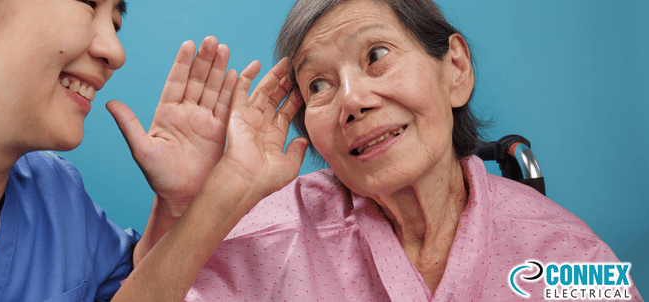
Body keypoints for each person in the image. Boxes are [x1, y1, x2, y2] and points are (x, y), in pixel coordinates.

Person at [0, 0, 307, 301]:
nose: (115, 50)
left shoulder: (56, 199)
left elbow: (135, 289)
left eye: (116, 20)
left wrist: (182, 204)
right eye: (87, 4)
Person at [185, 0, 643, 301]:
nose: (351, 100)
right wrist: (204, 196)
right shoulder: (268, 238)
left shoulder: (570, 256)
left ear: (456, 69)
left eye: (376, 56)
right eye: (318, 85)